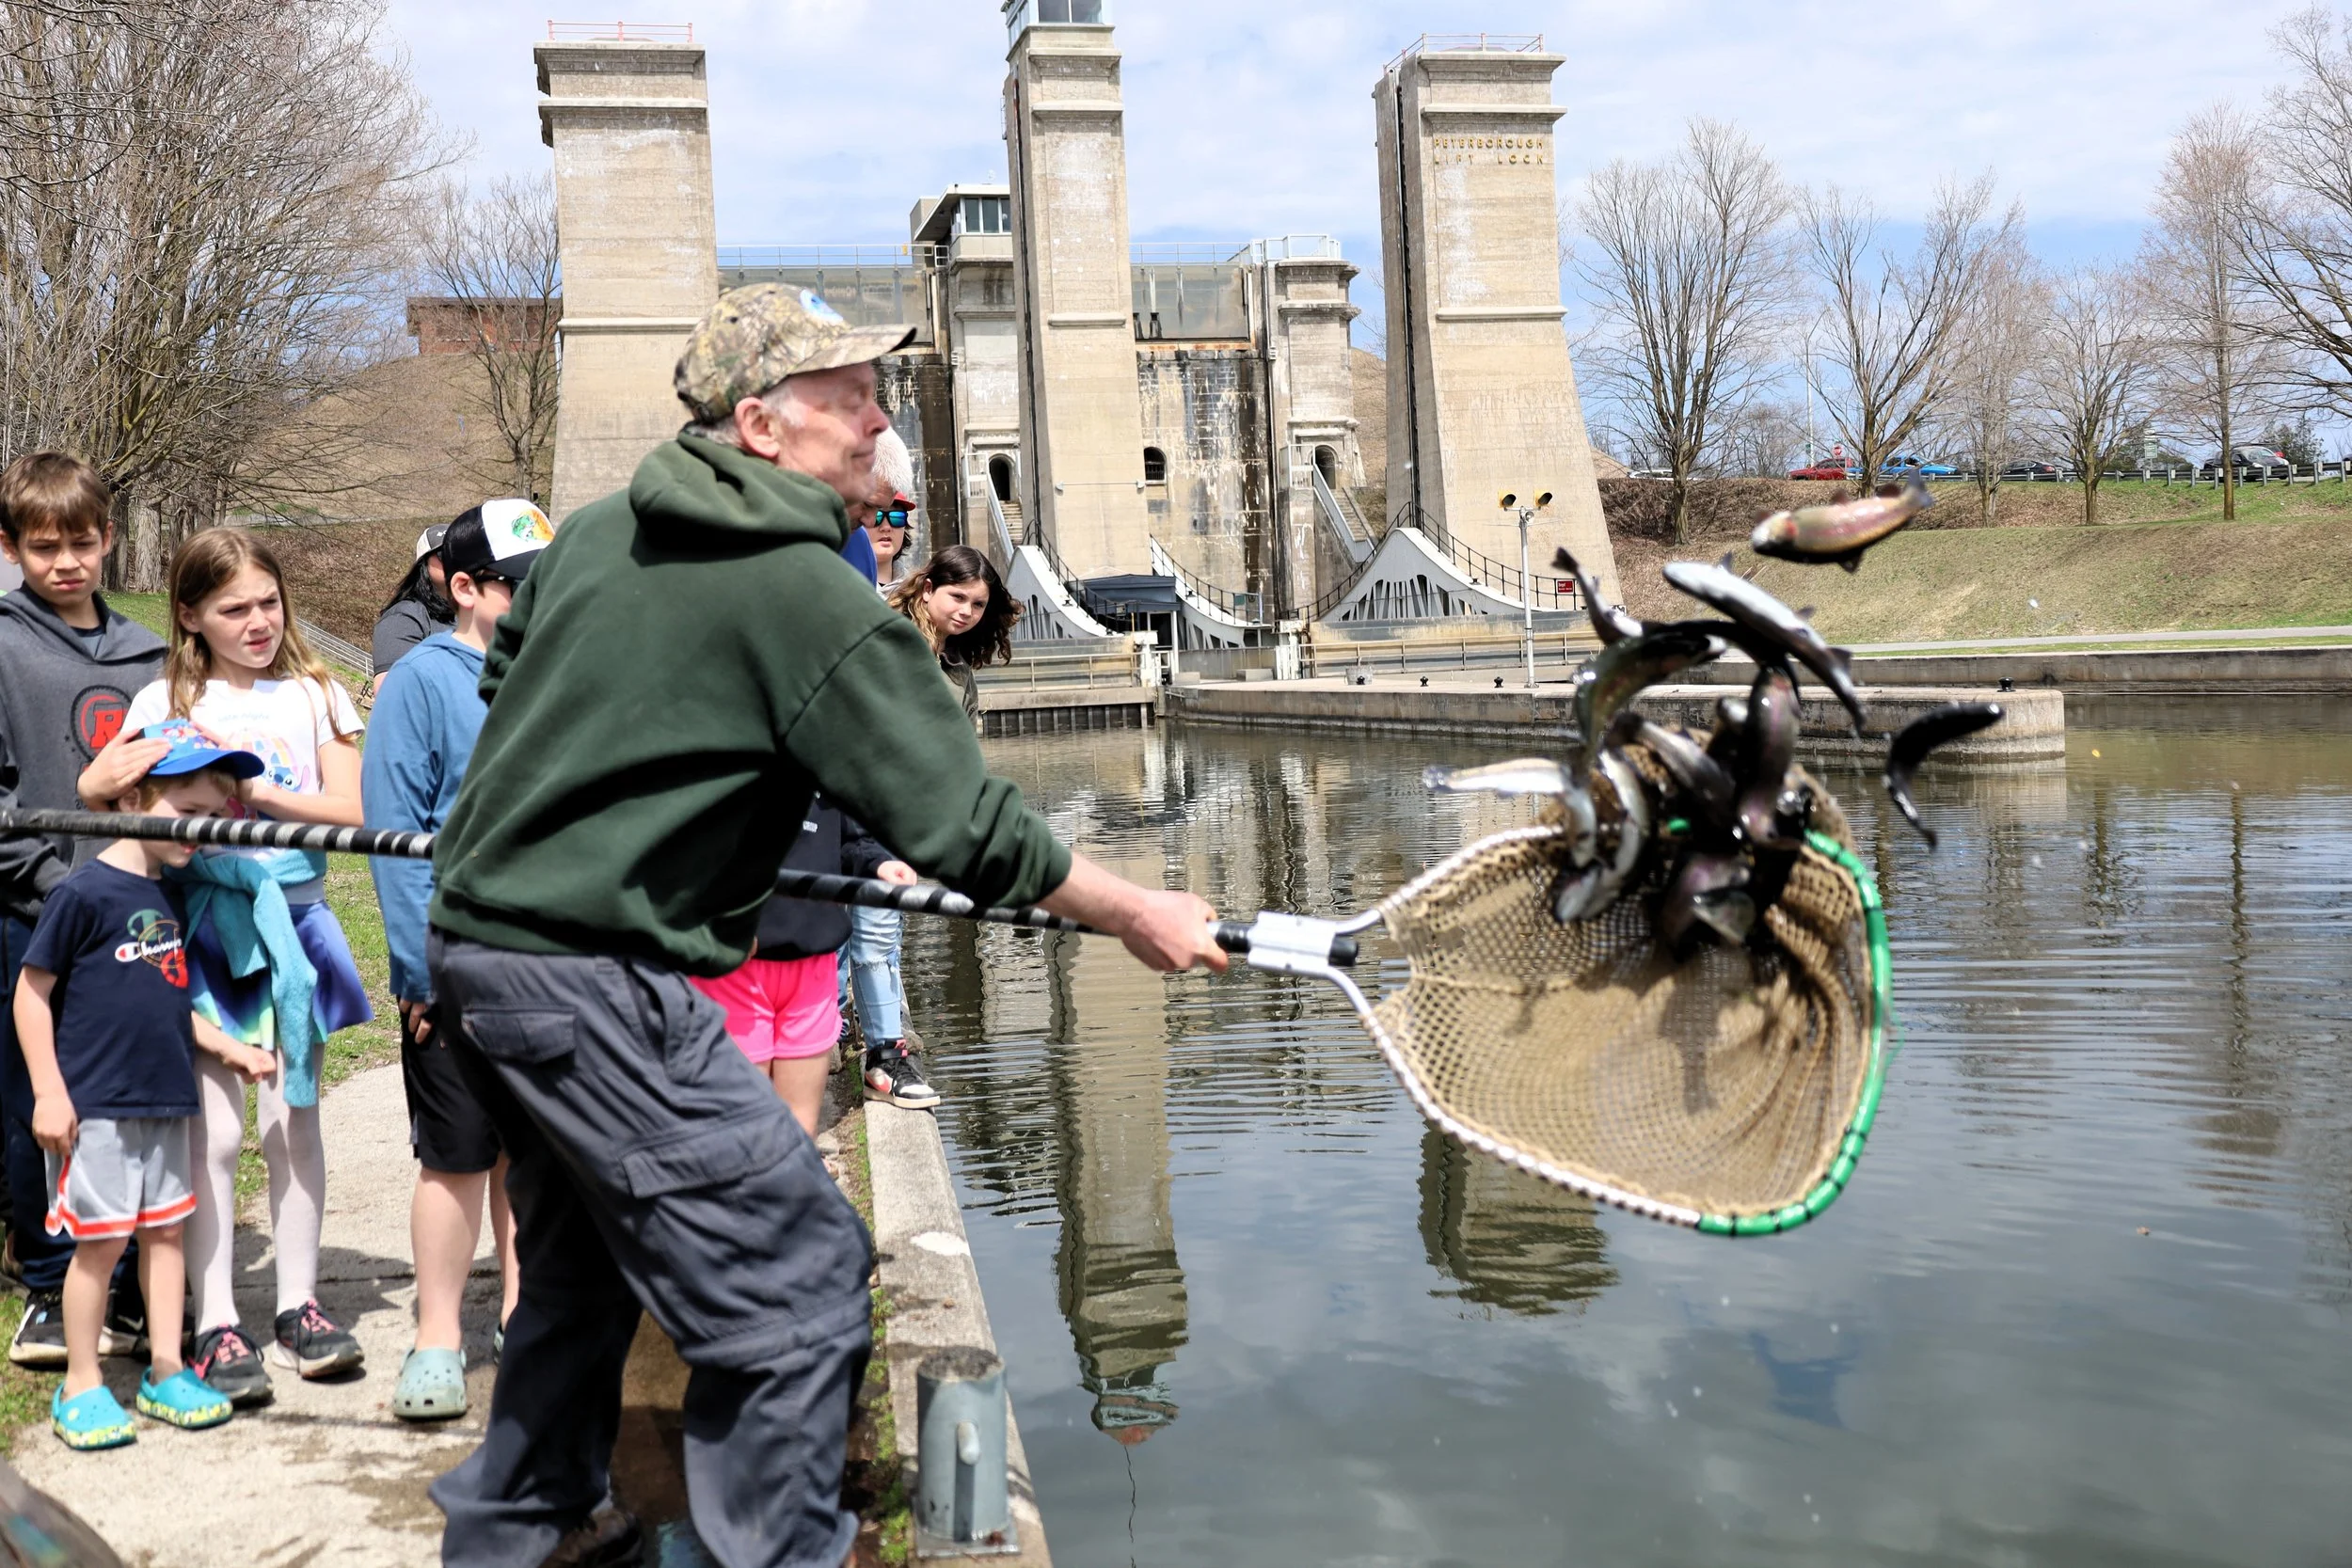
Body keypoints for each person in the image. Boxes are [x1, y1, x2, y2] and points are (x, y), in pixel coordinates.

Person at [421, 281, 1221, 1568]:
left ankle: (535, 1530)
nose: (877, 418)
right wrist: (1133, 907)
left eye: (877, 391)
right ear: (760, 425)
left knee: (576, 1275)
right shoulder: (809, 592)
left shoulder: (592, 535)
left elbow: (506, 687)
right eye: (847, 397)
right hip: (594, 978)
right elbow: (964, 824)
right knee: (797, 1278)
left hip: (483, 953)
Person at [107, 528, 374, 1406]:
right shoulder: (162, 699)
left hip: (297, 927)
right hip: (205, 931)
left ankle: (299, 1306)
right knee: (213, 1134)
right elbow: (111, 792)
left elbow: (352, 807)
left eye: (269, 601)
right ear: (189, 614)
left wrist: (253, 793)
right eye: (233, 608)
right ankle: (217, 1316)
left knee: (293, 1123)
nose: (258, 621)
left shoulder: (317, 692)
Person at [11, 722, 279, 1449]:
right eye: (186, 807)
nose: (199, 827)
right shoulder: (83, 891)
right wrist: (49, 1091)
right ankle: (84, 1382)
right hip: (97, 1108)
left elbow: (173, 1001)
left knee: (165, 1237)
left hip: (167, 1102)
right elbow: (31, 996)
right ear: (134, 794)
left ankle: (166, 1366)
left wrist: (231, 1048)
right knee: (99, 1246)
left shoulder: (167, 898)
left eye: (212, 813)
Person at [362, 501, 548, 1423]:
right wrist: (417, 970)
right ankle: (438, 1334)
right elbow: (395, 838)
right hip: (455, 958)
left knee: (532, 1148)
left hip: (548, 961)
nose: (539, 599)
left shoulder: (556, 672)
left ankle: (524, 1310)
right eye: (523, 583)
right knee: (456, 1155)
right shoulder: (419, 682)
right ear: (465, 586)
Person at [0, 451, 165, 1371]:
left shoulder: (147, 655)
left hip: (134, 925)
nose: (66, 560)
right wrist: (48, 880)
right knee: (41, 1102)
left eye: (82, 541)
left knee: (129, 1096)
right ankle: (52, 1283)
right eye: (44, 544)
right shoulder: (2, 640)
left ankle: (131, 1280)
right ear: (12, 545)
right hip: (32, 915)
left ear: (108, 538)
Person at [696, 797, 917, 1130]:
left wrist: (878, 863)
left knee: (799, 1122)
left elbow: (850, 840)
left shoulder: (825, 769)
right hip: (739, 966)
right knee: (746, 1119)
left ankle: (798, 1164)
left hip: (812, 967)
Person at [886, 544, 1022, 736]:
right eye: (958, 597)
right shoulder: (891, 642)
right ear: (928, 589)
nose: (967, 612)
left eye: (978, 604)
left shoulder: (960, 669)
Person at [373, 523, 455, 696]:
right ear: (423, 563)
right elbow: (391, 693)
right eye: (444, 554)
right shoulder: (404, 617)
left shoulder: (475, 616)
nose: (454, 560)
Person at [866, 426, 915, 589]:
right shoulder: (841, 585)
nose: (886, 527)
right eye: (878, 515)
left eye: (896, 518)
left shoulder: (917, 594)